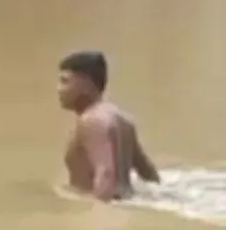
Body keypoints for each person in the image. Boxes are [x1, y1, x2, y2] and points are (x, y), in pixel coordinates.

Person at [57, 50, 161, 202]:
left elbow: (106, 174)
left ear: (86, 84)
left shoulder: (91, 120)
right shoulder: (123, 120)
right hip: (126, 203)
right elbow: (149, 174)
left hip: (105, 206)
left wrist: (97, 217)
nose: (58, 89)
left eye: (65, 81)